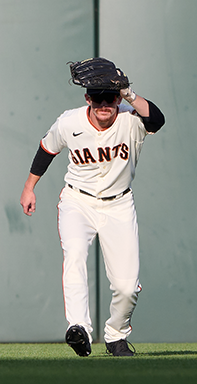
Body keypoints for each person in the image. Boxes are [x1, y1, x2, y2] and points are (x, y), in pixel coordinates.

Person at [20, 59, 165, 357]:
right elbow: (47, 149)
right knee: (74, 257)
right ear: (87, 97)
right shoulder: (69, 122)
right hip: (78, 200)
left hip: (119, 204)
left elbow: (158, 120)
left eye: (108, 96)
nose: (103, 103)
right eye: (96, 96)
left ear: (117, 97)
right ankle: (80, 329)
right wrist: (29, 187)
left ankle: (116, 335)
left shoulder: (130, 117)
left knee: (127, 288)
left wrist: (127, 93)